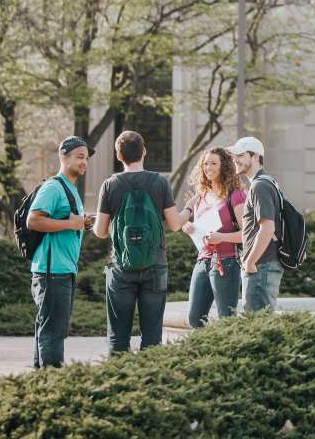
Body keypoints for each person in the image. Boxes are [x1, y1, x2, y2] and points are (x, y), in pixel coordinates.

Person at [93, 130, 194, 353]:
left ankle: (119, 384)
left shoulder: (109, 185)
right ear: (144, 152)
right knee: (152, 338)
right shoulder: (160, 182)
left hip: (120, 268)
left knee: (117, 338)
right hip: (155, 266)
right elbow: (175, 224)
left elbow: (100, 231)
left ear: (118, 156)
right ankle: (150, 384)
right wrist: (189, 207)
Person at [25, 136, 96, 368]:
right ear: (63, 157)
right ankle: (51, 385)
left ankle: (41, 385)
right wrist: (71, 224)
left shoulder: (70, 189)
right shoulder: (54, 187)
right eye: (79, 157)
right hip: (51, 271)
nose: (84, 162)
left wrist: (81, 222)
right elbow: (33, 221)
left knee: (49, 329)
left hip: (62, 270)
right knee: (53, 333)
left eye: (86, 158)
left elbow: (67, 219)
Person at [181, 146, 247, 327]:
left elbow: (247, 234)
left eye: (213, 163)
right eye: (205, 164)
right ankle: (206, 353)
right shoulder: (200, 197)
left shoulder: (236, 195)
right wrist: (190, 229)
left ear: (224, 166)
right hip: (202, 262)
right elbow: (201, 233)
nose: (208, 168)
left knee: (227, 319)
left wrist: (222, 238)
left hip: (226, 263)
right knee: (195, 318)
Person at [229, 136, 283, 312]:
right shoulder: (266, 182)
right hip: (263, 264)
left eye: (240, 155)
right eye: (234, 155)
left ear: (255, 157)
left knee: (257, 322)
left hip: (261, 264)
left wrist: (250, 261)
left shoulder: (260, 186)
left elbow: (267, 227)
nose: (235, 160)